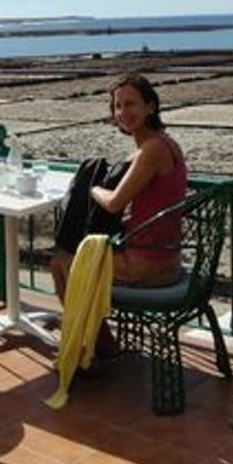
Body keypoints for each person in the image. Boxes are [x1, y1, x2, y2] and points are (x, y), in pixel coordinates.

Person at [50, 72, 187, 309]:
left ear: (150, 106)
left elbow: (113, 202)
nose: (123, 112)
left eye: (130, 104)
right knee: (76, 258)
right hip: (167, 256)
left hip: (147, 264)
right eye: (118, 106)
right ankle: (99, 342)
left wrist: (92, 187)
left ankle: (85, 342)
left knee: (61, 262)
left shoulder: (151, 151)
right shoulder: (165, 142)